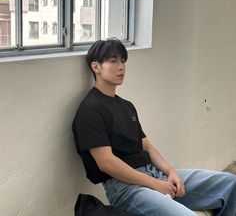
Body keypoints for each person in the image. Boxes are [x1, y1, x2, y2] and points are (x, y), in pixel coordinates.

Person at [72, 38, 236, 216]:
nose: (121, 67)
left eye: (123, 61)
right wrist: (155, 184)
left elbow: (146, 146)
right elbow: (106, 163)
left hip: (153, 173)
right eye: (113, 61)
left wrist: (171, 172)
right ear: (96, 67)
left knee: (230, 183)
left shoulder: (126, 106)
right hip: (125, 188)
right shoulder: (90, 110)